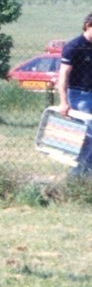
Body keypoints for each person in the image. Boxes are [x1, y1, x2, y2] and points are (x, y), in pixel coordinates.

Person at [55, 11, 92, 176]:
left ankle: (86, 175)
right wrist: (64, 102)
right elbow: (63, 75)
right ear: (88, 26)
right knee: (87, 137)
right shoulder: (74, 46)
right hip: (80, 96)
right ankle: (76, 177)